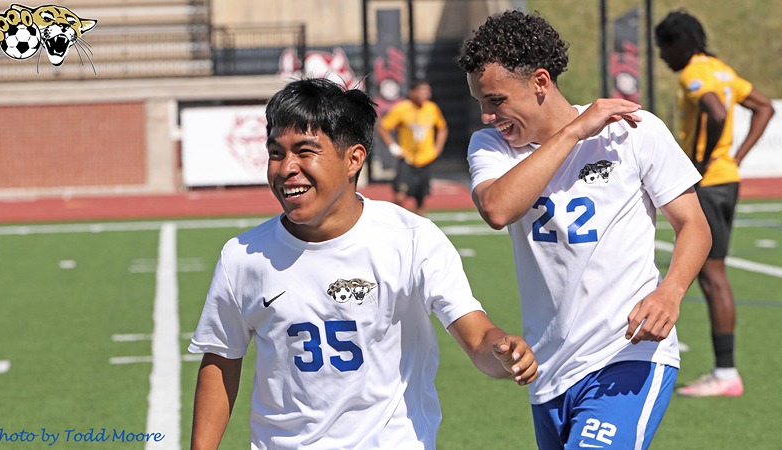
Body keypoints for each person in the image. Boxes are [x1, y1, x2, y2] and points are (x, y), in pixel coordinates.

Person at [188, 77, 538, 450]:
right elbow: (223, 358)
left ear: (353, 158)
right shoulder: (242, 256)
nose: (287, 167)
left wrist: (504, 352)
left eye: (305, 151)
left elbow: (478, 336)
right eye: (277, 152)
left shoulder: (411, 238)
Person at [457, 10, 712, 450]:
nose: (486, 115)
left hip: (628, 356)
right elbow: (498, 208)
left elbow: (694, 225)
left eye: (496, 100)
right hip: (551, 370)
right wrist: (574, 132)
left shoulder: (634, 131)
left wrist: (670, 292)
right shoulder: (491, 146)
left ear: (540, 81)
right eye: (481, 102)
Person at [655, 10, 775, 398]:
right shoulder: (721, 69)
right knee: (712, 273)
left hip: (708, 183)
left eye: (664, 48)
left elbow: (717, 111)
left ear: (679, 44)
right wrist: (735, 158)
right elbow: (764, 107)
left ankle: (725, 372)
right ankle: (724, 370)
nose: (662, 57)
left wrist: (702, 163)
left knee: (710, 275)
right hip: (728, 180)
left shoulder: (693, 73)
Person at [376, 78, 449, 216]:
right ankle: (397, 223)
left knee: (421, 200)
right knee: (400, 197)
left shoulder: (432, 108)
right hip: (407, 160)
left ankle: (419, 230)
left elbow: (442, 128)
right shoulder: (402, 108)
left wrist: (437, 148)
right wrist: (393, 147)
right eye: (421, 90)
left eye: (427, 91)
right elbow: (382, 127)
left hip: (425, 160)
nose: (425, 94)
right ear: (412, 92)